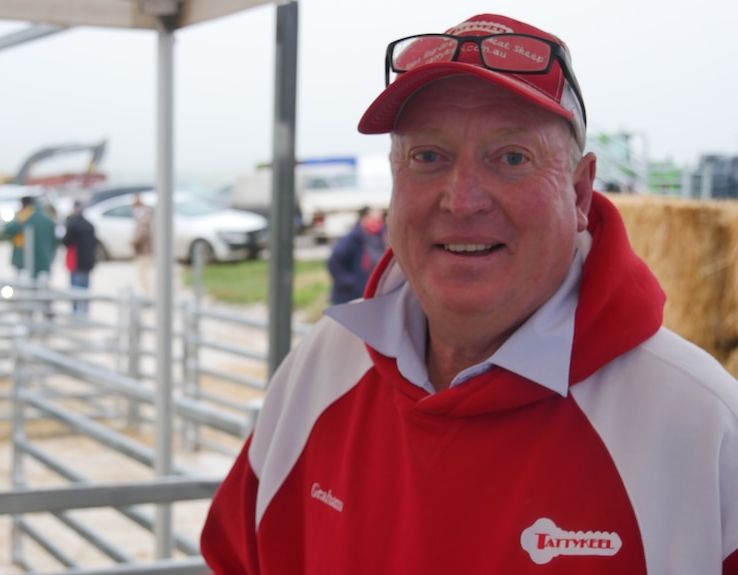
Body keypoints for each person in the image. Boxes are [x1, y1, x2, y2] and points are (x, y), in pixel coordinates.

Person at [200, 14, 738, 574]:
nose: (462, 199)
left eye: (511, 158)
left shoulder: (701, 429)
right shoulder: (320, 368)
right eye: (428, 157)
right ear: (393, 178)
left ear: (580, 192)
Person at [326, 206, 387, 304]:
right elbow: (335, 261)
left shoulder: (381, 236)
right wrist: (349, 283)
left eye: (379, 219)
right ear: (363, 218)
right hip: (351, 296)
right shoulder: (351, 239)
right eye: (373, 219)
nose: (377, 223)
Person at [2, 195, 57, 282]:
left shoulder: (25, 217)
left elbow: (7, 229)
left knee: (26, 290)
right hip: (44, 260)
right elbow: (55, 241)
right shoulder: (47, 219)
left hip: (25, 260)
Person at [62, 200, 97, 315]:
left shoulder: (72, 224)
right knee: (85, 289)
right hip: (88, 262)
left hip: (76, 262)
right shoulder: (90, 225)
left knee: (75, 289)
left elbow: (66, 241)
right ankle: (85, 312)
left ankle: (76, 313)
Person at [131, 194, 153, 296]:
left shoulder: (144, 217)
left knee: (143, 275)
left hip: (144, 251)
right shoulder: (146, 215)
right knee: (143, 275)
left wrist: (135, 241)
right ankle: (147, 295)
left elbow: (142, 233)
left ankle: (147, 296)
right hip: (145, 250)